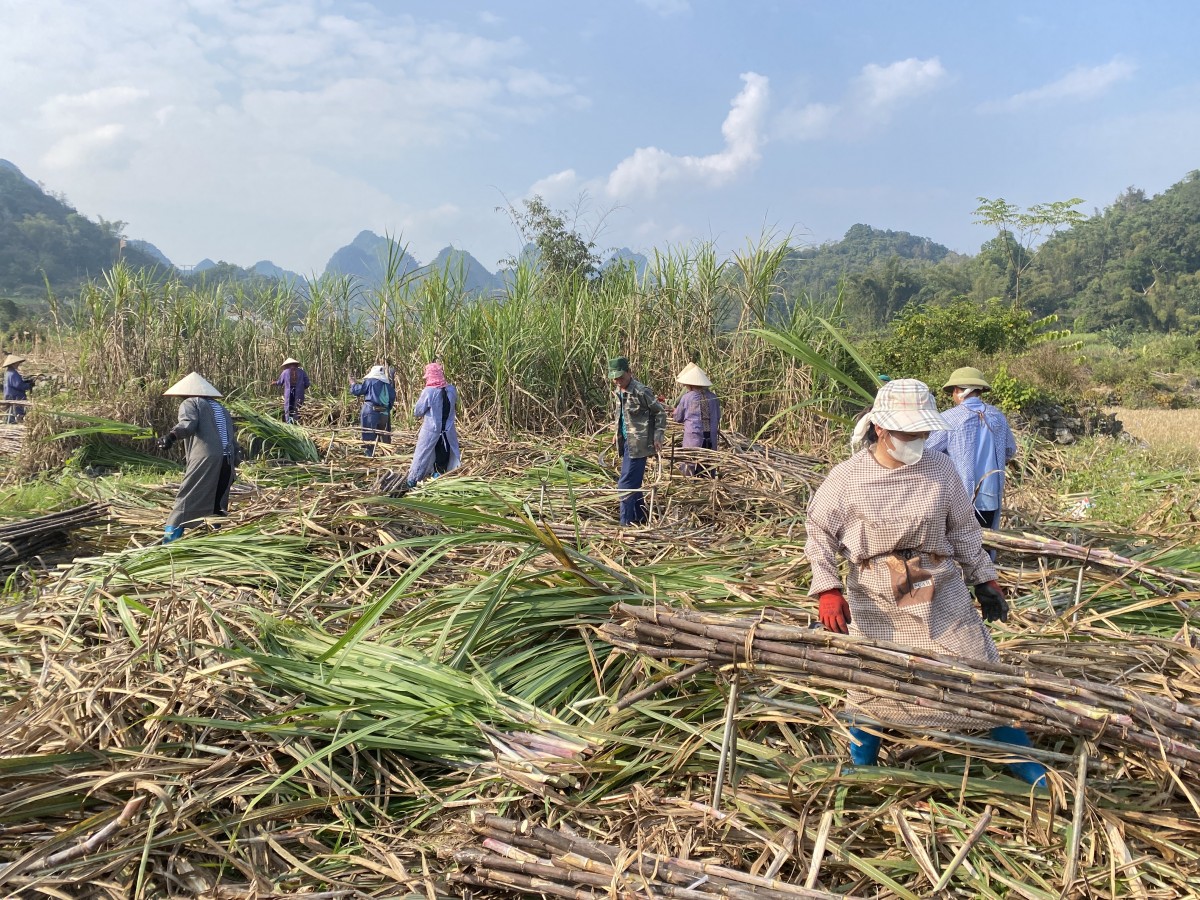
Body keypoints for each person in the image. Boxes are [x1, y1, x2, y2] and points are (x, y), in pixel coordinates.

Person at [804, 378, 1046, 786]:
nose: (916, 440)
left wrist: (984, 579)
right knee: (873, 681)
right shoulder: (847, 477)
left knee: (979, 671)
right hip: (877, 593)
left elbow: (964, 530)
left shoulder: (940, 469)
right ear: (880, 428)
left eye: (922, 432)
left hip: (939, 585)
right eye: (907, 433)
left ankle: (1026, 766)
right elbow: (819, 532)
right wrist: (828, 588)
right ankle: (863, 768)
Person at [925, 366, 1018, 532]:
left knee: (958, 540)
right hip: (990, 496)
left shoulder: (949, 418)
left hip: (958, 498)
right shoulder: (997, 416)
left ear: (957, 391)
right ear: (980, 391)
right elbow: (1009, 450)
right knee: (985, 540)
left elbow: (928, 451)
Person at [157, 372, 238, 544]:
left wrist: (170, 437)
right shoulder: (221, 408)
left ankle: (169, 543)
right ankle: (214, 540)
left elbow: (187, 424)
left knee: (185, 499)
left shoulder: (191, 402)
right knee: (217, 503)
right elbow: (232, 438)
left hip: (207, 459)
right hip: (227, 461)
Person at [609, 356, 666, 527]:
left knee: (625, 484)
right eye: (615, 378)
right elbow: (621, 415)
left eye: (621, 377)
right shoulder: (619, 390)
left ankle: (625, 523)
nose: (617, 381)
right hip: (626, 441)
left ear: (629, 372)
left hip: (639, 444)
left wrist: (658, 436)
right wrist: (617, 433)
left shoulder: (641, 391)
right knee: (634, 482)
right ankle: (640, 518)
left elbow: (660, 412)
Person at [404, 362, 461, 489]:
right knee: (443, 456)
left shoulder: (429, 392)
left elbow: (418, 411)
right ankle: (439, 478)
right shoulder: (452, 390)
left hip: (431, 430)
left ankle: (412, 481)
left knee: (422, 454)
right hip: (448, 430)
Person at [671, 362, 720, 477]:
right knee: (708, 465)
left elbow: (678, 418)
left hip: (694, 438)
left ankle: (688, 482)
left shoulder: (687, 397)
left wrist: (675, 412)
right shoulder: (714, 398)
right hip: (711, 437)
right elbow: (718, 417)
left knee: (689, 464)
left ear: (690, 384)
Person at [349, 364, 394, 456]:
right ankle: (386, 453)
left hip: (371, 412)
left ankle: (369, 454)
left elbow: (358, 390)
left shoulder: (370, 381)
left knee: (368, 433)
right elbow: (392, 398)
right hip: (384, 413)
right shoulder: (388, 385)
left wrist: (353, 384)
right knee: (384, 435)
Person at [273, 357, 310, 424]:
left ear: (287, 365)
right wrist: (301, 388)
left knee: (288, 406)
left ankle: (289, 423)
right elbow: (307, 384)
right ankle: (296, 422)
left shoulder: (285, 372)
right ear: (296, 364)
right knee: (298, 407)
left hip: (288, 393)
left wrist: (274, 383)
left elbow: (280, 382)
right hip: (299, 393)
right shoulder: (301, 372)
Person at [3, 353, 36, 424]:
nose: (18, 364)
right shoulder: (13, 373)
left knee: (10, 411)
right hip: (15, 395)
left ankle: (9, 422)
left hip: (9, 394)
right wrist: (29, 385)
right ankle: (14, 423)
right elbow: (19, 385)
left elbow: (17, 383)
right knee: (17, 411)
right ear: (13, 363)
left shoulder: (9, 372)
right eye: (17, 363)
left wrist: (26, 381)